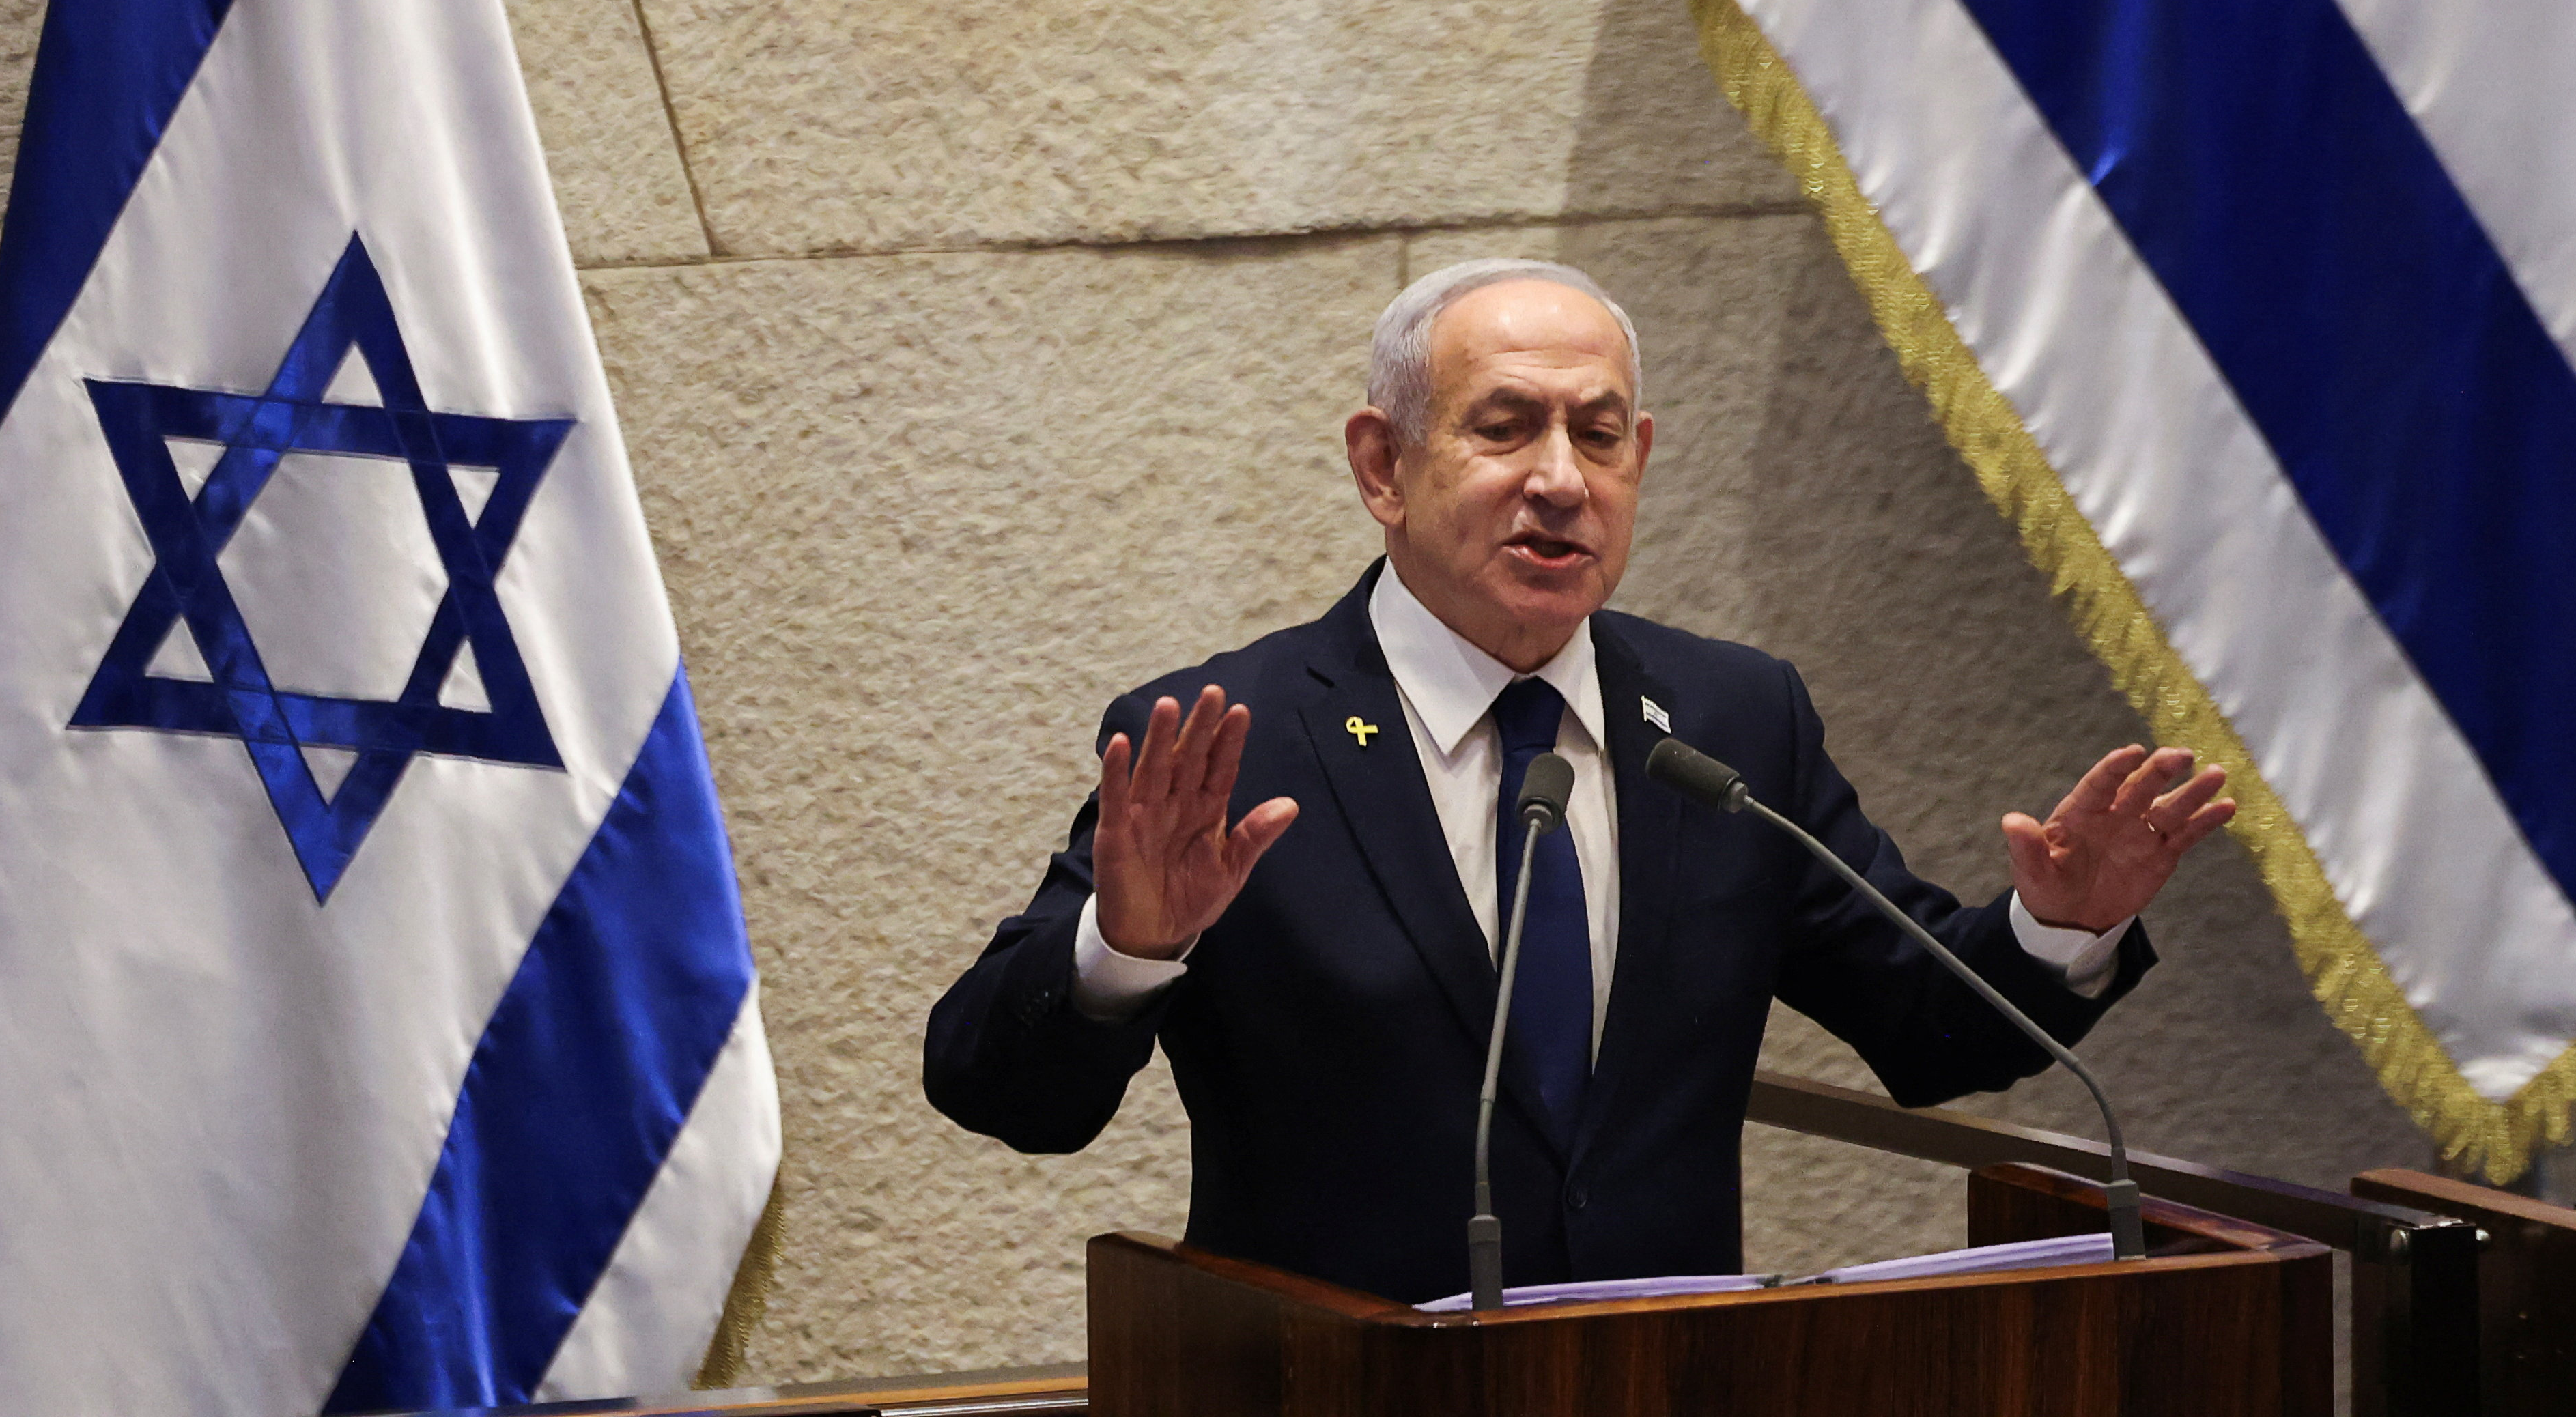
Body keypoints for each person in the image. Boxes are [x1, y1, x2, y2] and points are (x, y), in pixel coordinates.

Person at [921, 258, 2234, 1305]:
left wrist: (2063, 925)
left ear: (1640, 461)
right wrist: (1124, 949)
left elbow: (1931, 1028)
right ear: (1382, 465)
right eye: (1505, 430)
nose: (1560, 479)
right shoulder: (1230, 741)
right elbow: (997, 1089)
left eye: (1598, 437)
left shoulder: (1732, 720)